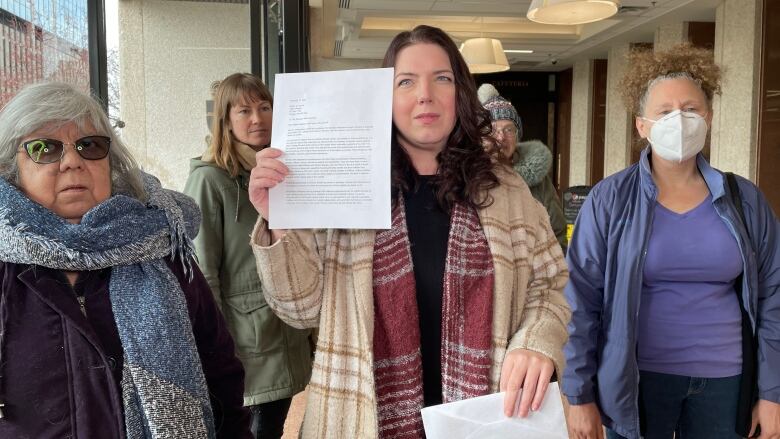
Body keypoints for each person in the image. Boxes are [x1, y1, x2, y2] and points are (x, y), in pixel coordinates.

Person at [247, 25, 571, 438]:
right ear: (385, 97)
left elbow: (550, 286)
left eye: (442, 78)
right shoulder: (347, 188)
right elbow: (299, 309)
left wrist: (536, 341)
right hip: (364, 418)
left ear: (461, 94)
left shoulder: (507, 192)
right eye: (406, 81)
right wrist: (282, 221)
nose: (425, 94)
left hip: (487, 418)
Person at [0, 82, 251, 438]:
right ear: (13, 169)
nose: (72, 162)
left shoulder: (164, 252)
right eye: (44, 148)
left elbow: (220, 372)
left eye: (90, 146)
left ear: (110, 162)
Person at [563, 44, 780, 439]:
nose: (680, 120)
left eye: (691, 109)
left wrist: (772, 393)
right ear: (641, 125)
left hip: (726, 383)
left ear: (709, 118)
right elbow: (580, 301)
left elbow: (773, 299)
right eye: (665, 112)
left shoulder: (744, 199)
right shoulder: (610, 199)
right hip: (637, 383)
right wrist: (579, 395)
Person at [183, 73, 312, 439]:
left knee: (273, 425)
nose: (257, 118)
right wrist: (214, 350)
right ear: (225, 120)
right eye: (243, 110)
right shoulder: (211, 180)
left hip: (284, 333)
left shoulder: (283, 172)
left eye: (264, 107)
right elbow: (200, 273)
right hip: (244, 348)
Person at [478, 83, 567, 251]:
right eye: (492, 129)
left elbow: (558, 233)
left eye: (509, 130)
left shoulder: (539, 183)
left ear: (517, 136)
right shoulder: (465, 178)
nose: (500, 137)